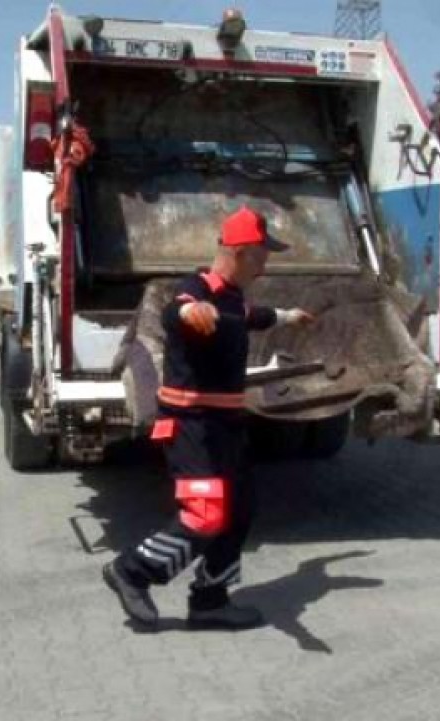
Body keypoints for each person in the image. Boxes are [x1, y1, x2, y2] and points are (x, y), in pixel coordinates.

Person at [103, 205, 314, 630]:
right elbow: (176, 311)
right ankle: (133, 572)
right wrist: (187, 314)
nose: (266, 264)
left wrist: (288, 317)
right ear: (243, 252)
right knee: (205, 516)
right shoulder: (197, 287)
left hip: (226, 427)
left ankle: (210, 601)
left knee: (238, 511)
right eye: (263, 255)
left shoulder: (233, 297)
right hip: (192, 426)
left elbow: (248, 318)